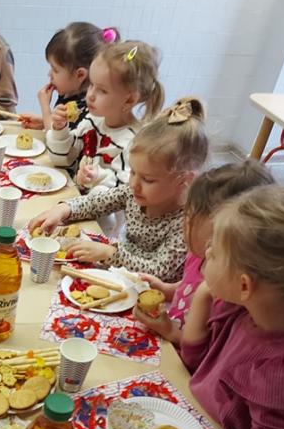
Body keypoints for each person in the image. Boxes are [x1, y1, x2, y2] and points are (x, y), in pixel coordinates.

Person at [29, 97, 208, 282]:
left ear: (184, 181)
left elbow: (159, 271)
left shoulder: (185, 224)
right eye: (133, 172)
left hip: (150, 292)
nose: (134, 184)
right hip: (121, 273)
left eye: (147, 179)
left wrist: (110, 254)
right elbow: (95, 203)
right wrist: (63, 209)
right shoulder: (134, 192)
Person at [181, 185, 284, 429]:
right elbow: (195, 364)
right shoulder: (240, 310)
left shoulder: (278, 372)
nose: (205, 255)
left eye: (214, 254)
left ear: (244, 286)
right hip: (194, 425)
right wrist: (203, 297)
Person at [134, 159, 274, 346]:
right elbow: (188, 286)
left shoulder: (227, 289)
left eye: (192, 217)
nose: (184, 223)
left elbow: (204, 354)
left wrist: (170, 332)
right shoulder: (197, 256)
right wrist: (166, 289)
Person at [46, 40, 163, 197]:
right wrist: (60, 130)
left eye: (102, 90)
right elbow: (63, 159)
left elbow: (120, 196)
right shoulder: (92, 121)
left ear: (129, 100)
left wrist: (97, 177)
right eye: (91, 85)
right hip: (70, 201)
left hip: (93, 212)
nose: (90, 95)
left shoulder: (134, 144)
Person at [19, 23, 119, 131]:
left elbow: (56, 137)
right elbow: (61, 128)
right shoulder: (68, 92)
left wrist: (45, 108)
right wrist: (43, 121)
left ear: (80, 75)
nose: (49, 74)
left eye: (55, 70)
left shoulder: (83, 107)